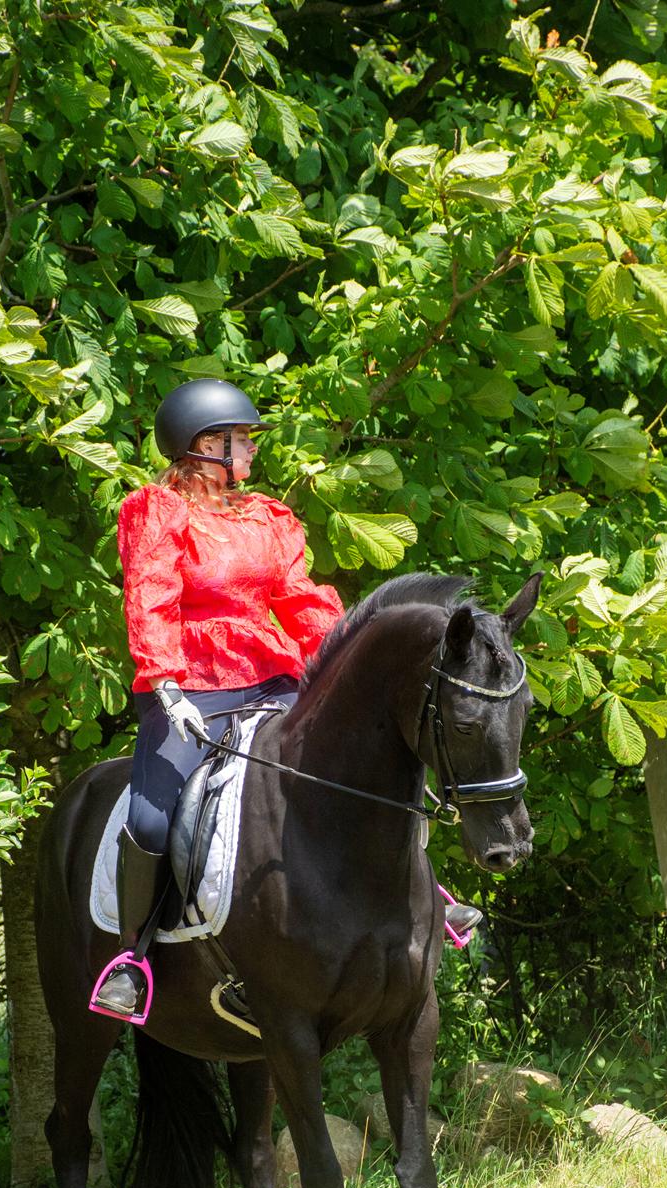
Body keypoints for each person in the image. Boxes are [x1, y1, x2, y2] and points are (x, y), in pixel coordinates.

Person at [90, 378, 481, 1023]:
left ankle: (431, 897)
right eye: (241, 439)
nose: (251, 449)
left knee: (352, 771)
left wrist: (344, 662)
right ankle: (134, 958)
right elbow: (150, 597)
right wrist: (165, 682)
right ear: (205, 446)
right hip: (189, 688)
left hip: (271, 675)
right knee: (154, 820)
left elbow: (300, 599)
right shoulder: (156, 513)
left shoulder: (266, 519)